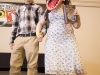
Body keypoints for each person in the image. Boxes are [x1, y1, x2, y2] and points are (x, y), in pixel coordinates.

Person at [36, 0, 87, 75]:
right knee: (54, 67)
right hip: (52, 42)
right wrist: (38, 34)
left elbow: (76, 26)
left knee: (77, 64)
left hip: (68, 40)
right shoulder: (49, 10)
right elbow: (40, 23)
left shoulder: (69, 9)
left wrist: (78, 18)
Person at [9, 0, 47, 75]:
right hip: (19, 38)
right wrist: (12, 40)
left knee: (32, 65)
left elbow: (43, 24)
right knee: (14, 63)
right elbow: (15, 26)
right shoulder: (18, 9)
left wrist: (41, 34)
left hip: (32, 38)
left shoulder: (38, 8)